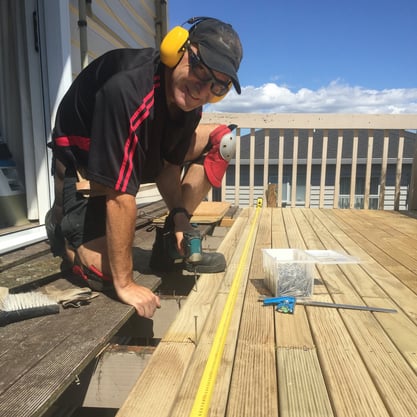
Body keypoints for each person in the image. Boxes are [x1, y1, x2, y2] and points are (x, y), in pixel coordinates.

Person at [45, 17, 243, 319]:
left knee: (222, 140)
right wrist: (126, 283)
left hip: (134, 154)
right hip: (85, 171)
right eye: (201, 69)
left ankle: (169, 245)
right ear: (176, 49)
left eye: (217, 85)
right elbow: (120, 197)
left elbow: (168, 167)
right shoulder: (127, 89)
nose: (203, 89)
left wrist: (179, 219)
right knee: (108, 273)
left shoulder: (190, 101)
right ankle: (65, 231)